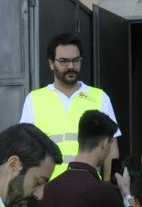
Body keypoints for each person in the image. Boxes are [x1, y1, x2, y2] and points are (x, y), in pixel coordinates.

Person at [20, 32, 120, 178]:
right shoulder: (34, 99)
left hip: (88, 187)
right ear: (51, 63)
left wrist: (108, 188)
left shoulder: (99, 97)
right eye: (64, 61)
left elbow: (111, 149)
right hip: (47, 190)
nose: (71, 66)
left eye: (76, 60)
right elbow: (25, 148)